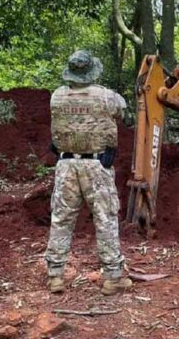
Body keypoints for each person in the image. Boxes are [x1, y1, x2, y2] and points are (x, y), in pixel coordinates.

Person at [45, 50, 132, 296]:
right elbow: (123, 112)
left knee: (61, 219)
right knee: (105, 219)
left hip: (65, 165)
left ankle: (55, 276)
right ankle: (113, 276)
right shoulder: (106, 96)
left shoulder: (57, 97)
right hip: (96, 165)